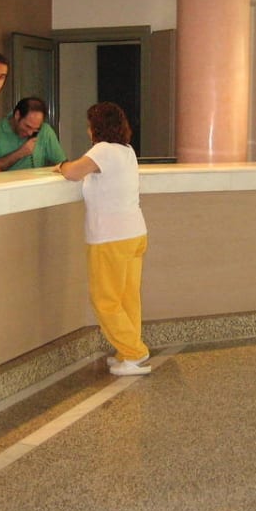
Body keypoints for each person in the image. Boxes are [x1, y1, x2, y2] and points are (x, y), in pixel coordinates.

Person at [56, 102, 151, 377]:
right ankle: (128, 352)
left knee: (105, 300)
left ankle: (134, 351)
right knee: (127, 298)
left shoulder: (103, 150)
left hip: (110, 237)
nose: (88, 130)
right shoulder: (127, 151)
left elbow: (72, 172)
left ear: (97, 127)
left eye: (90, 125)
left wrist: (61, 165)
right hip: (134, 233)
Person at [0, 97, 67, 171]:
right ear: (17, 115)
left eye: (36, 129)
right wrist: (20, 153)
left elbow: (63, 163)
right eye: (27, 126)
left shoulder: (45, 131)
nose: (30, 133)